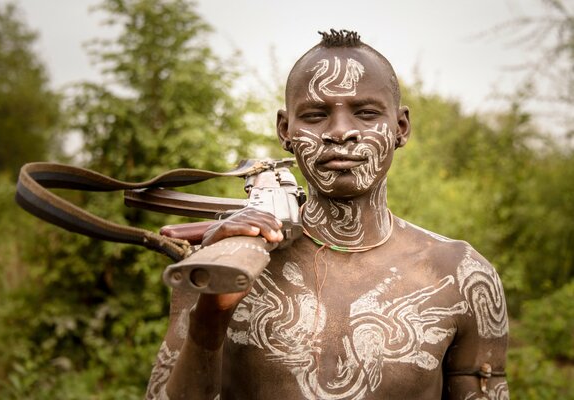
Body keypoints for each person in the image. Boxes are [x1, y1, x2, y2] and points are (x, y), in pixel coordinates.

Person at [145, 29, 509, 400]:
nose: (340, 132)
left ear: (400, 127)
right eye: (316, 115)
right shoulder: (220, 263)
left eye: (366, 113)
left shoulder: (462, 277)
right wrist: (210, 317)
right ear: (285, 130)